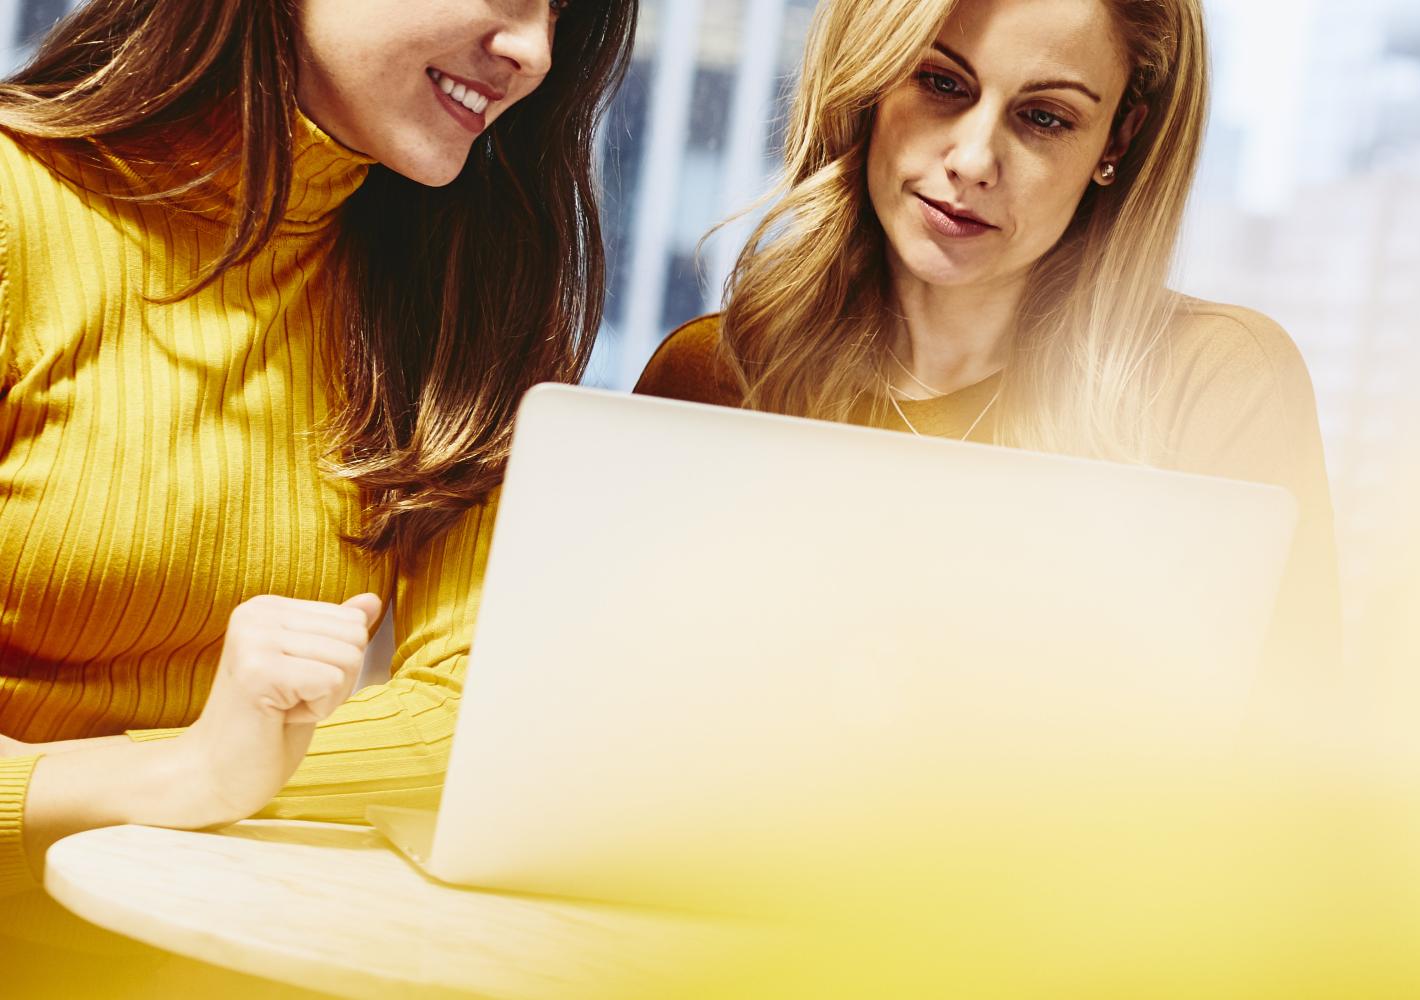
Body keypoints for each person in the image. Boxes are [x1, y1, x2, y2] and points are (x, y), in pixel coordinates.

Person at [0, 0, 634, 892]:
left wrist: (206, 771)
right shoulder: (16, 212)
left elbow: (471, 732)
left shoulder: (462, 289)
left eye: (564, 12)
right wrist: (186, 772)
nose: (533, 53)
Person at [637, 0, 1339, 674]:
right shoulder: (714, 377)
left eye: (1043, 117)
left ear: (1117, 139)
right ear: (871, 84)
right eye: (942, 83)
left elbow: (1290, 763)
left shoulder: (1211, 385)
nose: (973, 160)